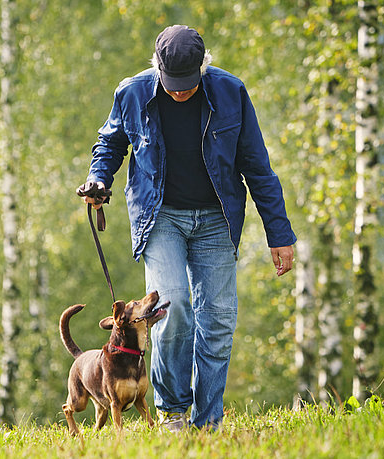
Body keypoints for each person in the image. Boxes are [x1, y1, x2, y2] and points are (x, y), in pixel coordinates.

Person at [79, 25, 296, 432]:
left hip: (217, 219)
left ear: (204, 67)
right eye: (172, 84)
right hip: (160, 216)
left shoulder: (231, 92)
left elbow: (257, 166)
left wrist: (279, 234)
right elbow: (110, 144)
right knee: (172, 307)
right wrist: (98, 179)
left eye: (188, 84)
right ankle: (173, 412)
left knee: (217, 319)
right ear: (157, 69)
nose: (180, 92)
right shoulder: (133, 93)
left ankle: (208, 420)